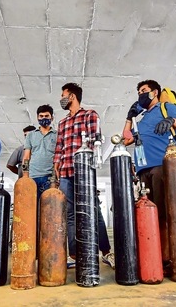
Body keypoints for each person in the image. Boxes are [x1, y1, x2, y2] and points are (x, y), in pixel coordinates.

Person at [122, 79, 176, 265]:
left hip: (162, 166)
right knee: (148, 212)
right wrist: (129, 118)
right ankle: (154, 253)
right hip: (143, 171)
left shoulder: (165, 107)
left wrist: (171, 120)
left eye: (144, 90)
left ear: (155, 92)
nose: (141, 95)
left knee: (163, 212)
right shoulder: (141, 120)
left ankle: (168, 256)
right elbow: (126, 140)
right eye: (138, 92)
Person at [53, 82, 110, 269]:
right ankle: (74, 254)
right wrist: (56, 164)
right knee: (69, 213)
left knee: (92, 209)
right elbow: (59, 147)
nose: (61, 99)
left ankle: (106, 251)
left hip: (84, 171)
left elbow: (96, 141)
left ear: (72, 96)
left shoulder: (89, 115)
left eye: (63, 95)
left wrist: (90, 164)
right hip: (66, 173)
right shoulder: (62, 122)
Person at [23, 105, 57, 198]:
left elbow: (59, 158)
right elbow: (26, 157)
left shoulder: (57, 135)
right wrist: (25, 177)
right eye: (41, 116)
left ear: (52, 118)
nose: (44, 118)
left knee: (49, 208)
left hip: (50, 178)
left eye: (46, 116)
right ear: (37, 118)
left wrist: (57, 178)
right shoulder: (30, 135)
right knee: (32, 207)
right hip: (33, 177)